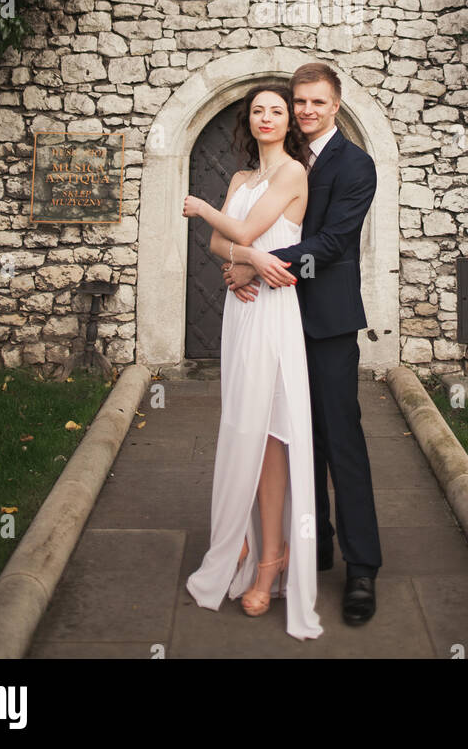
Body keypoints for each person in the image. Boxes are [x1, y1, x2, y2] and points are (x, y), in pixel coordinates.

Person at [222, 62, 382, 626]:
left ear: (336, 105)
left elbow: (334, 243)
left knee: (341, 440)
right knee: (288, 437)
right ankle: (312, 546)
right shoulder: (280, 163)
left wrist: (259, 267)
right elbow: (246, 229)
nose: (308, 110)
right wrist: (246, 260)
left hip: (326, 321)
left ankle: (362, 569)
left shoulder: (356, 165)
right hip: (271, 317)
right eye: (300, 102)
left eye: (318, 102)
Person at [183, 83, 323, 641]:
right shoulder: (241, 178)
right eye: (259, 110)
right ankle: (239, 539)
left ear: (290, 123)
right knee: (242, 425)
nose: (267, 118)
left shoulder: (293, 173)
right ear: (250, 119)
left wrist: (202, 210)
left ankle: (271, 558)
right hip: (239, 313)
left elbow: (234, 230)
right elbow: (224, 248)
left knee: (273, 433)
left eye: (278, 111)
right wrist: (248, 257)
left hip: (273, 311)